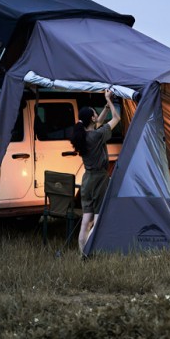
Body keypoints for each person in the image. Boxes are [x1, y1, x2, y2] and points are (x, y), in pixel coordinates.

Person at [70, 90, 120, 253]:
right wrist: (109, 101)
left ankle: (83, 254)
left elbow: (98, 122)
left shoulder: (83, 135)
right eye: (95, 113)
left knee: (86, 220)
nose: (97, 115)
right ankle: (92, 249)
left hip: (87, 180)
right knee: (98, 219)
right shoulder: (97, 135)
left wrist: (106, 106)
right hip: (99, 179)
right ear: (92, 118)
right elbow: (116, 118)